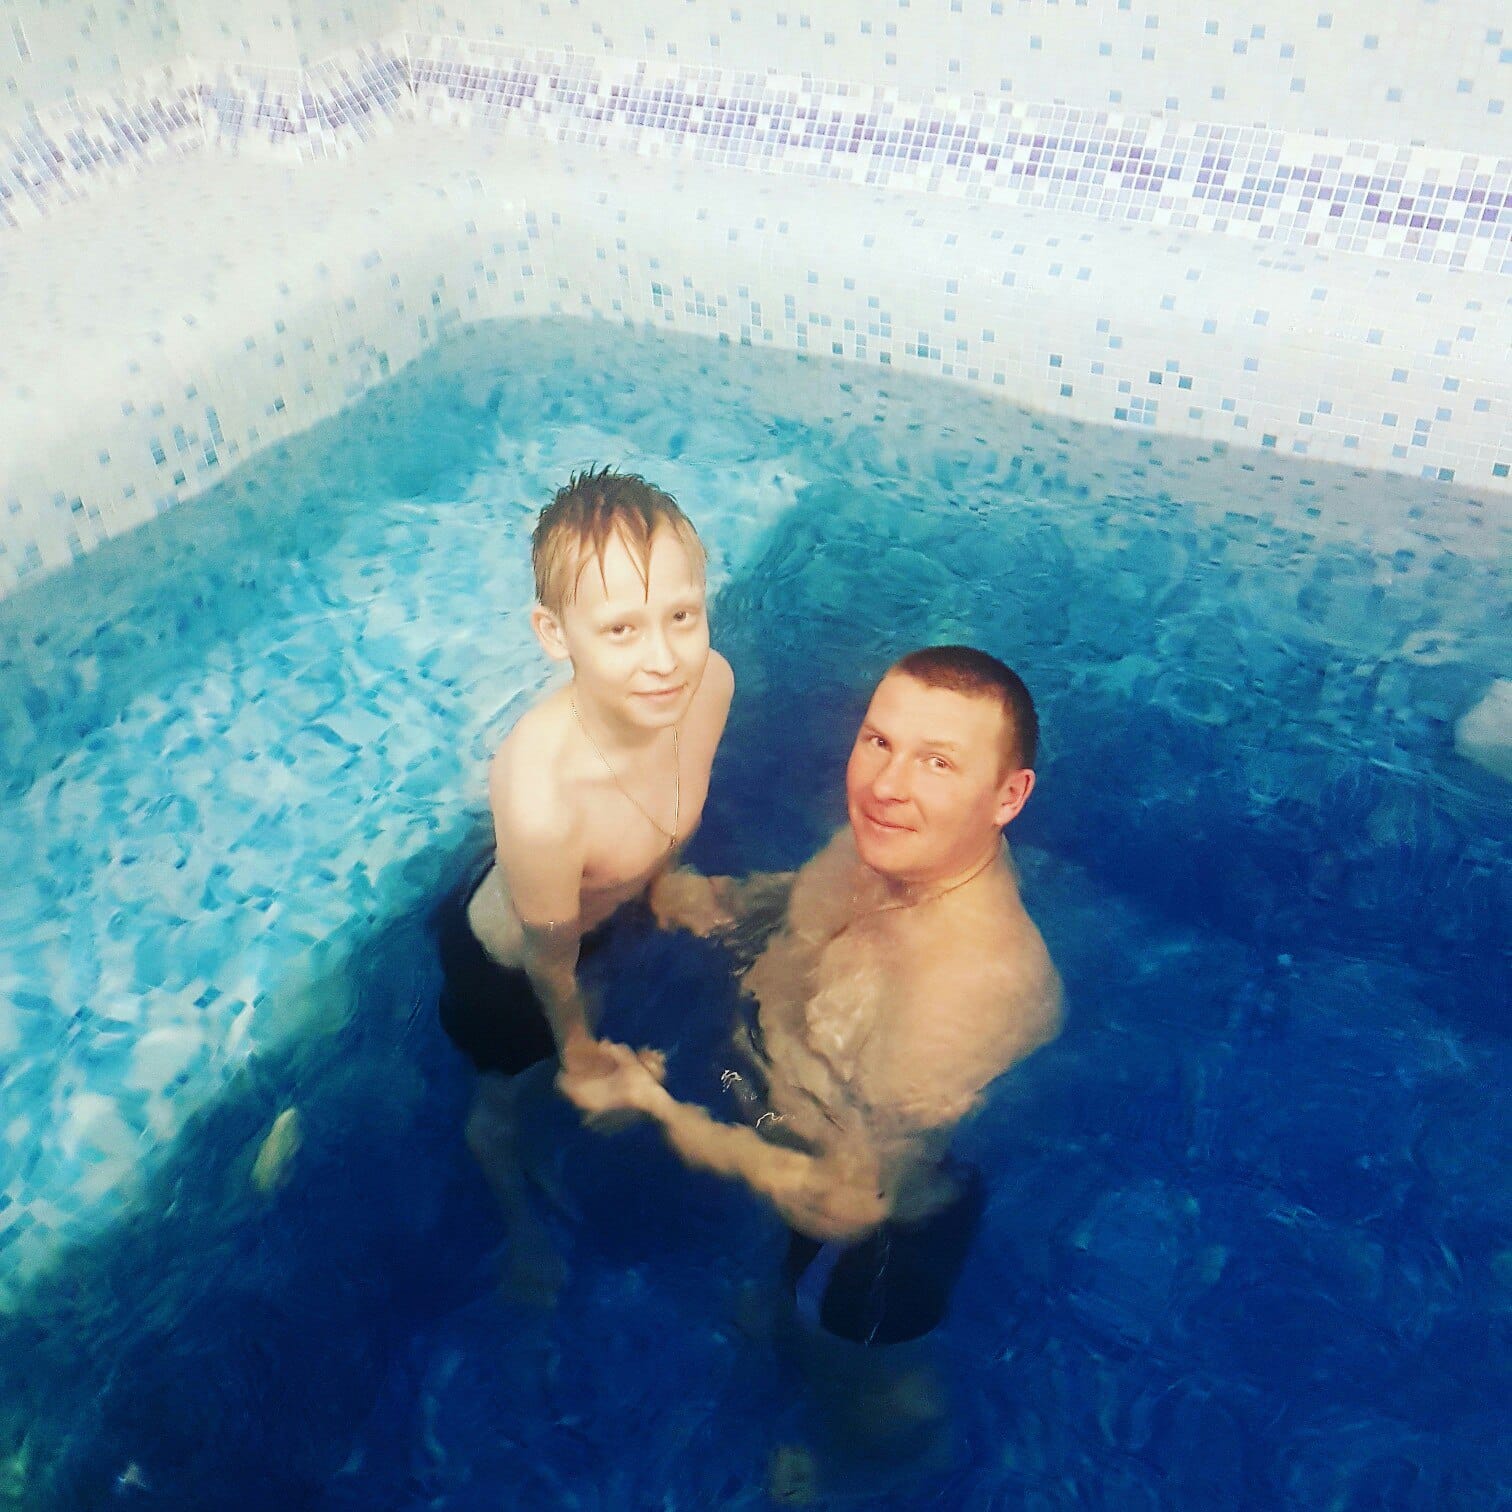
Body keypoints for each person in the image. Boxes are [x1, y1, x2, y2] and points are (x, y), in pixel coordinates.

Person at [562, 646, 1061, 1353]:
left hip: (876, 1225)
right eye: (879, 741)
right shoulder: (890, 843)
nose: (886, 785)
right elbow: (798, 903)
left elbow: (846, 1204)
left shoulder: (960, 992)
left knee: (850, 1377)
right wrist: (707, 896)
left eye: (937, 762)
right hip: (770, 1090)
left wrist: (653, 1105)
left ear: (1008, 797)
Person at [435, 466, 733, 1301]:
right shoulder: (542, 799)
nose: (665, 659)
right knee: (502, 1107)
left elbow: (671, 806)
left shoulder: (711, 685)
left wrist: (664, 881)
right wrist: (577, 1050)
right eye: (621, 630)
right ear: (555, 634)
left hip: (603, 910)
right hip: (511, 964)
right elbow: (546, 956)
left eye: (682, 616)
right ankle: (522, 1234)